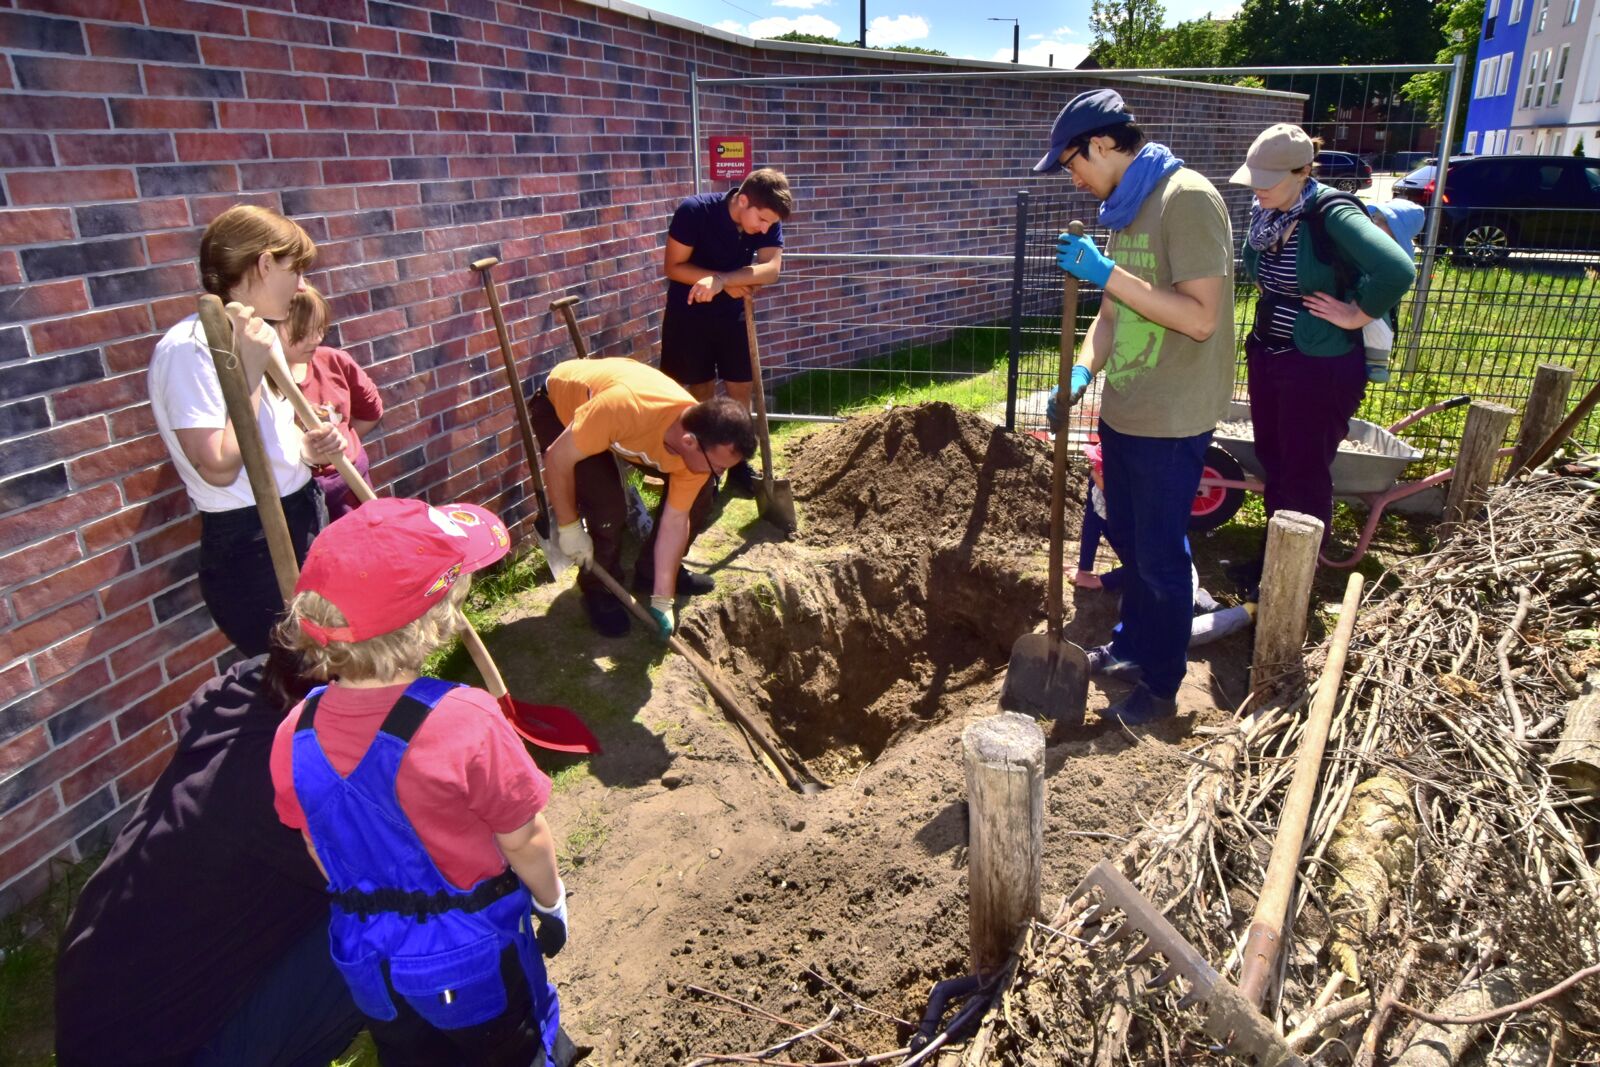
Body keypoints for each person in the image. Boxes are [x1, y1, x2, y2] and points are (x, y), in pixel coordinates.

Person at [269, 497, 575, 1067]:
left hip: (370, 964)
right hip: (473, 960)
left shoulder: (294, 732)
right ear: (430, 619)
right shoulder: (464, 720)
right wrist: (551, 901)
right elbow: (524, 838)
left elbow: (317, 844)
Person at [55, 644, 365, 1067]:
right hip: (170, 1054)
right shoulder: (292, 791)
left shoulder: (249, 701)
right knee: (403, 917)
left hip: (94, 1023)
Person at [1035, 88, 1236, 726]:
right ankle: (1130, 647)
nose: (1073, 179)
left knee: (1160, 556)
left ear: (1101, 144)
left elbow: (1201, 319)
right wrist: (1082, 369)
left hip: (1173, 414)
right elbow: (1116, 312)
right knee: (1129, 539)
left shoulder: (1189, 200)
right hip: (1127, 405)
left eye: (1072, 164)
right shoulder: (1127, 207)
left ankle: (1162, 683)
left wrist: (1104, 273)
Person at [147, 204, 345, 656]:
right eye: (294, 270)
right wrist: (249, 373)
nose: (300, 285)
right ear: (264, 262)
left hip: (301, 514)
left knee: (334, 665)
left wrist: (307, 450)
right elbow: (217, 465)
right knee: (296, 678)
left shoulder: (258, 334)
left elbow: (267, 445)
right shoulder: (189, 348)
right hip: (252, 542)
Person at [1230, 124, 1416, 575]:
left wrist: (1356, 314)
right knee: (1275, 459)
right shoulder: (1269, 213)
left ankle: (1296, 574)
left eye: (1268, 180)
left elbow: (1397, 269)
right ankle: (1275, 558)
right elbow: (1258, 270)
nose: (1258, 190)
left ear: (1302, 172)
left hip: (1320, 365)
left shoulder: (1331, 213)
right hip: (1271, 353)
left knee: (1304, 468)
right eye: (1253, 179)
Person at [529, 357, 757, 639]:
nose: (720, 474)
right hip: (560, 409)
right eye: (719, 467)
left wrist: (664, 597)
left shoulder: (700, 444)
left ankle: (650, 575)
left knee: (700, 496)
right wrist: (568, 527)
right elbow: (557, 459)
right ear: (689, 443)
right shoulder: (625, 409)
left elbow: (675, 520)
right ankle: (600, 588)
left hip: (615, 430)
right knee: (607, 507)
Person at [659, 167, 791, 495]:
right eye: (761, 220)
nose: (765, 228)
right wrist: (725, 282)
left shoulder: (764, 221)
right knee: (699, 390)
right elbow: (673, 267)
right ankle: (700, 462)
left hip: (734, 315)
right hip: (689, 315)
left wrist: (723, 282)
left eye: (771, 224)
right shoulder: (694, 211)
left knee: (740, 389)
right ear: (742, 200)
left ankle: (737, 462)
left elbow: (771, 269)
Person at [275, 284, 384, 519]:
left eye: (320, 329)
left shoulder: (333, 362)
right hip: (308, 499)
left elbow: (370, 412)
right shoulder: (265, 386)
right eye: (303, 333)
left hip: (355, 486)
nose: (316, 338)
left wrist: (344, 438)